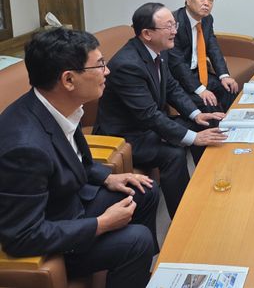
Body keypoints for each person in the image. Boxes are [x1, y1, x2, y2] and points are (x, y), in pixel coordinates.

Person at [0, 28, 158, 287]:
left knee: (144, 190)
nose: (107, 71)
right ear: (69, 80)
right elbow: (22, 236)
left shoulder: (59, 106)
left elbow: (74, 160)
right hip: (53, 232)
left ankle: (138, 274)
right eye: (100, 65)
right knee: (137, 240)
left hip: (68, 202)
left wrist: (108, 178)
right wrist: (101, 224)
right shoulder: (24, 148)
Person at [95, 2, 228, 219]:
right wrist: (194, 138)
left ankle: (208, 183)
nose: (175, 31)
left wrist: (196, 114)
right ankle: (184, 216)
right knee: (174, 154)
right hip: (126, 134)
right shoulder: (128, 65)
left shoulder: (160, 50)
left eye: (174, 24)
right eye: (168, 26)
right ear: (147, 33)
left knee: (203, 122)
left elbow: (172, 87)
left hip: (148, 124)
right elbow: (148, 115)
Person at [169, 0, 237, 113]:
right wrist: (200, 90)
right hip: (177, 77)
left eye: (211, 0)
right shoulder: (173, 23)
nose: (207, 3)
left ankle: (236, 123)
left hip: (198, 72)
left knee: (229, 89)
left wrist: (224, 75)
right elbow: (176, 63)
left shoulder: (207, 19)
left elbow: (213, 47)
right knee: (209, 103)